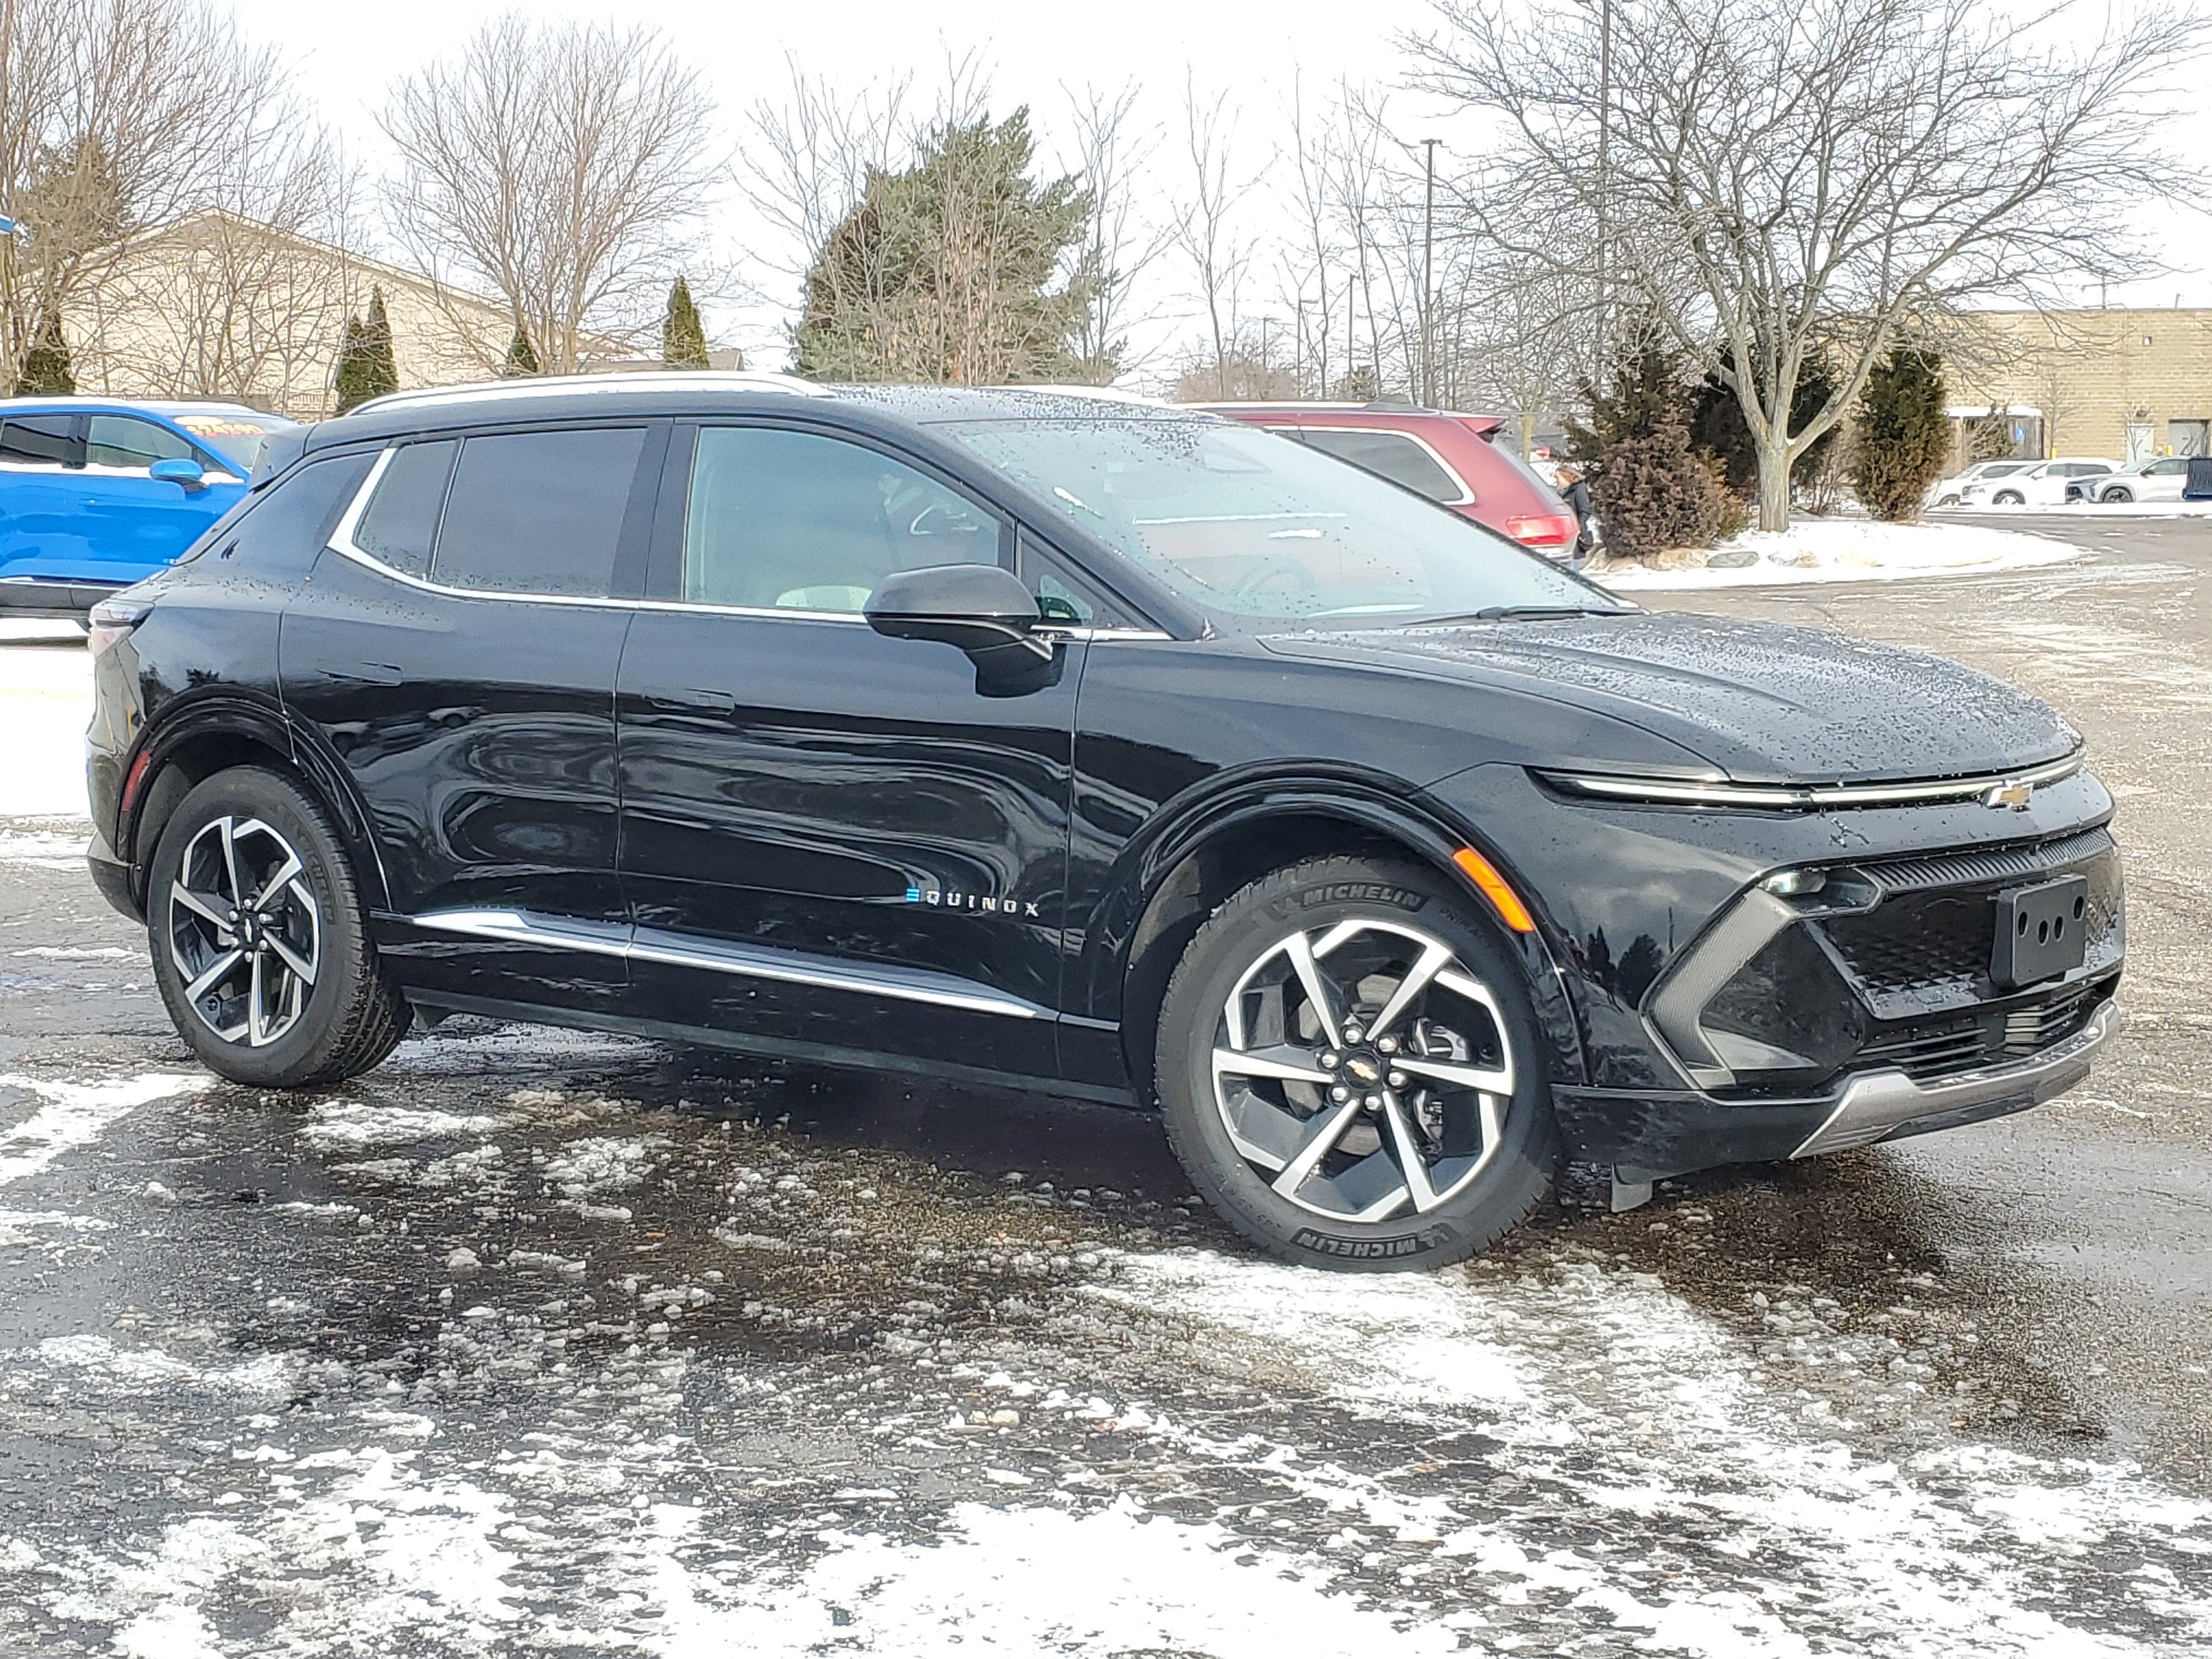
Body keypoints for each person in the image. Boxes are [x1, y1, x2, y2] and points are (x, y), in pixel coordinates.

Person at [1554, 464, 1595, 567]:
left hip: (1575, 533)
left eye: (1558, 477)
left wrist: (1579, 526)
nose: (1556, 481)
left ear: (1566, 477)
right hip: (1563, 533)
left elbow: (1585, 510)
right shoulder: (1559, 492)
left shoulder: (1578, 490)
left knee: (1573, 565)